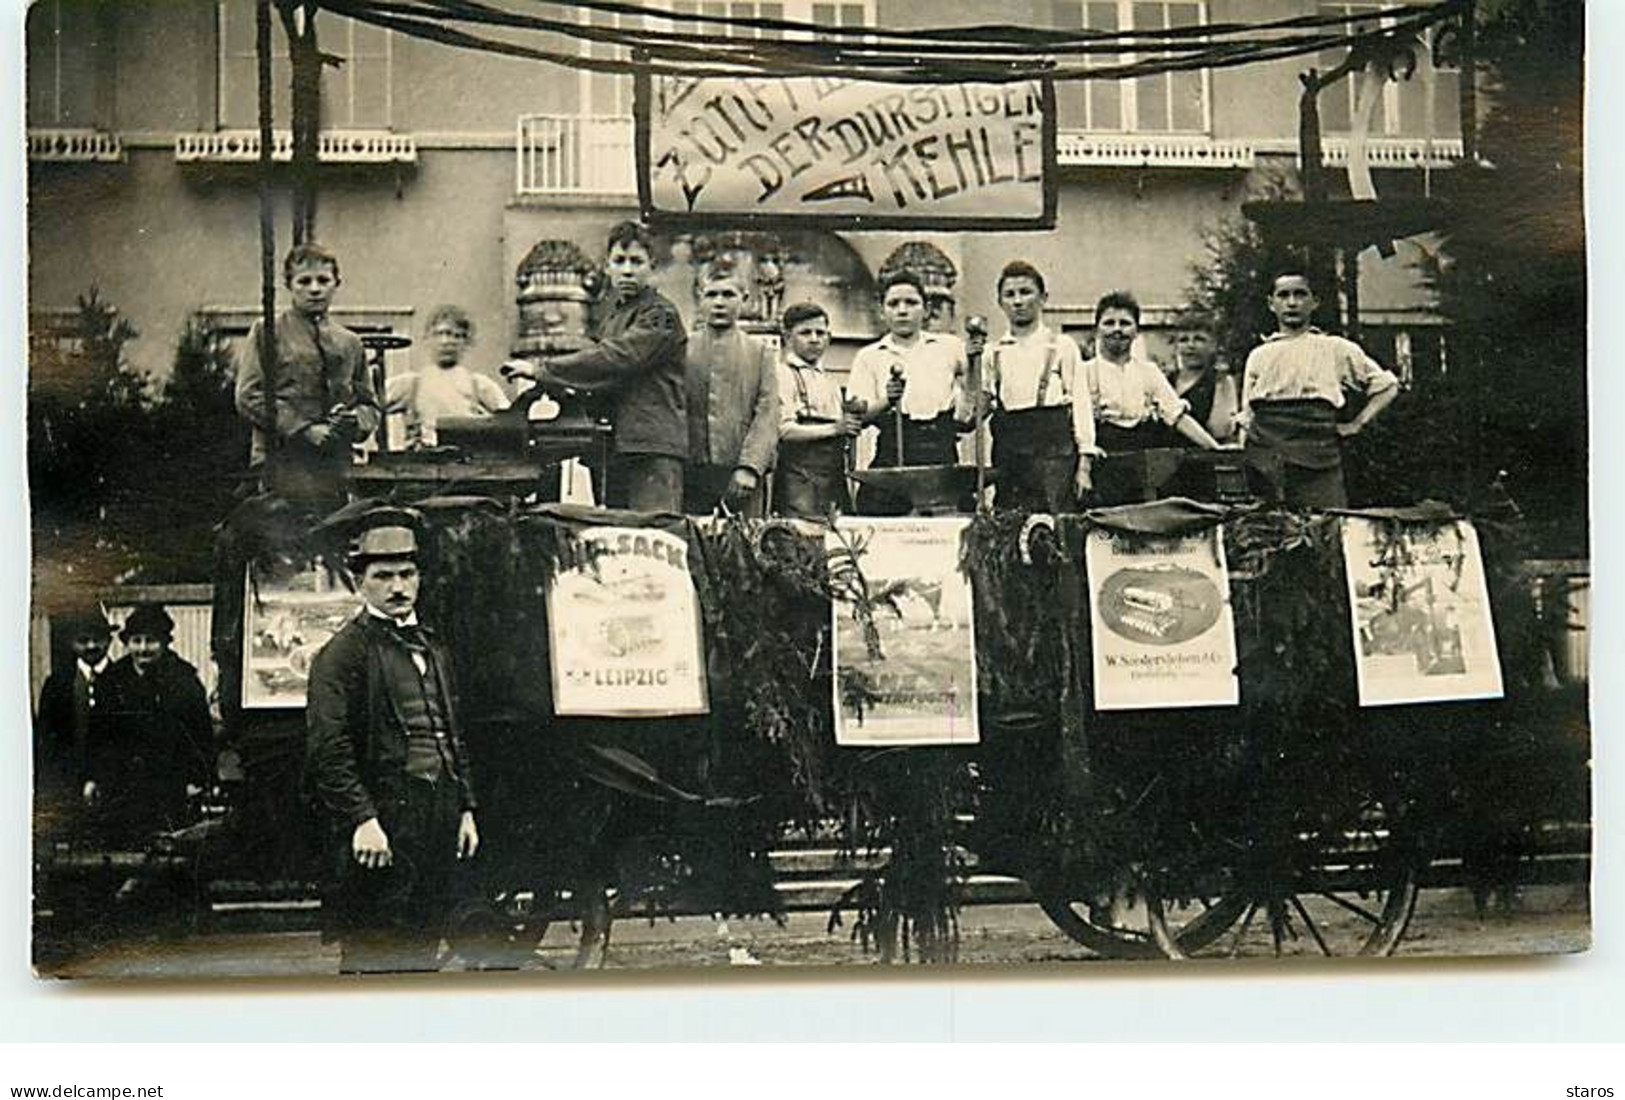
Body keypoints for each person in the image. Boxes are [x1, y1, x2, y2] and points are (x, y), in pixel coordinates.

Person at [305, 515, 480, 974]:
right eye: (382, 576)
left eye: (407, 574)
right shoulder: (342, 654)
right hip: (385, 815)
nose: (397, 586)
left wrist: (464, 806)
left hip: (438, 808)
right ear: (359, 583)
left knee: (426, 931)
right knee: (376, 938)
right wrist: (362, 819)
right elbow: (329, 746)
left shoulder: (433, 647)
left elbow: (450, 729)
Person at [505, 221, 688, 512]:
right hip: (615, 445)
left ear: (651, 267)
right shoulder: (614, 317)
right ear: (608, 266)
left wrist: (543, 370)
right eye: (619, 261)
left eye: (636, 262)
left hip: (651, 447)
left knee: (656, 536)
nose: (627, 270)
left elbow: (618, 357)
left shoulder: (660, 314)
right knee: (617, 539)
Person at [234, 242, 382, 507]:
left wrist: (354, 422)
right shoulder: (268, 332)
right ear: (289, 285)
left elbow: (369, 405)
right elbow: (249, 395)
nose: (315, 289)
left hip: (335, 467)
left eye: (323, 280)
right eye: (304, 281)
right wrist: (303, 429)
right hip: (279, 464)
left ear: (336, 283)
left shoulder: (349, 343)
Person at [1239, 272, 1400, 508]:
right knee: (1268, 528)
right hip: (1265, 453)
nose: (1292, 302)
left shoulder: (1335, 348)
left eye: (1300, 294)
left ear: (1315, 302)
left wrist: (1358, 423)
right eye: (1283, 295)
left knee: (1327, 525)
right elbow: (1247, 413)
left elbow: (1387, 386)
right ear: (1271, 304)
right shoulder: (1259, 355)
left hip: (1318, 453)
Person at [847, 270, 975, 514]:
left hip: (941, 448)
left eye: (911, 303)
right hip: (895, 448)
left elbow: (974, 392)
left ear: (926, 309)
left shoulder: (949, 347)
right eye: (893, 304)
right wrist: (887, 400)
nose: (902, 310)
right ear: (882, 310)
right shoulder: (869, 356)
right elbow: (858, 415)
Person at [976, 261, 1095, 512]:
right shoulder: (992, 353)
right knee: (1011, 526)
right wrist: (970, 363)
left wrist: (1084, 465)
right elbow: (976, 412)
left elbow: (1082, 408)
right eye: (1010, 295)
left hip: (1054, 457)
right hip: (1010, 456)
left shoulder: (1062, 346)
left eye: (1025, 292)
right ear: (1000, 303)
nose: (1018, 301)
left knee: (1055, 529)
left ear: (1043, 298)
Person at [93, 604, 215, 845]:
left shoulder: (184, 681)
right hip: (122, 784)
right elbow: (99, 735)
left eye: (151, 641)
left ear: (165, 642)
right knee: (120, 849)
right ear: (127, 643)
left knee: (170, 850)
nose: (143, 648)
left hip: (170, 784)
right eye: (136, 641)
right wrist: (94, 777)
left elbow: (201, 735)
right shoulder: (112, 679)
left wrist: (197, 779)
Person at [682, 265, 780, 516]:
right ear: (699, 298)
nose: (719, 303)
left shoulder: (760, 353)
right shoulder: (681, 349)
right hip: (689, 474)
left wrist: (750, 467)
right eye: (711, 295)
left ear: (744, 299)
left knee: (744, 546)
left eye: (728, 295)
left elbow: (768, 414)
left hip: (741, 477)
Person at [1082, 290, 1225, 457]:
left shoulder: (1149, 372)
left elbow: (1177, 416)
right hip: (1100, 459)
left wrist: (1215, 448)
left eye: (1125, 323)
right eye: (1109, 323)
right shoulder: (1084, 372)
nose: (1117, 329)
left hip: (1144, 462)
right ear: (1097, 330)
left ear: (1136, 331)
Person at [774, 301, 863, 518]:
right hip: (798, 482)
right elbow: (783, 430)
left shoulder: (829, 380)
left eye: (820, 333)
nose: (814, 339)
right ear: (787, 337)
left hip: (832, 478)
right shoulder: (783, 374)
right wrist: (835, 429)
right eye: (805, 333)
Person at [384, 305, 510, 448]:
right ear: (427, 338)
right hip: (421, 463)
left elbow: (510, 421)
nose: (446, 341)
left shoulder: (481, 385)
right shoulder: (410, 384)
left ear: (467, 342)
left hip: (467, 463)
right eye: (440, 334)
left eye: (455, 335)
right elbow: (369, 404)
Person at [34, 610, 113, 816]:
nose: (91, 646)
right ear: (72, 643)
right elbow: (46, 739)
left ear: (109, 641)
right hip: (68, 784)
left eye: (98, 640)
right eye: (83, 640)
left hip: (113, 786)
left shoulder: (123, 679)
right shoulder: (58, 684)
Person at [1166, 318, 1241, 445]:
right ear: (1175, 346)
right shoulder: (1165, 381)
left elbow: (1221, 430)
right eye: (1184, 340)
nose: (1191, 345)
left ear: (1213, 345)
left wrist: (1220, 387)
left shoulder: (1221, 381)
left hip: (1205, 456)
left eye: (1199, 339)